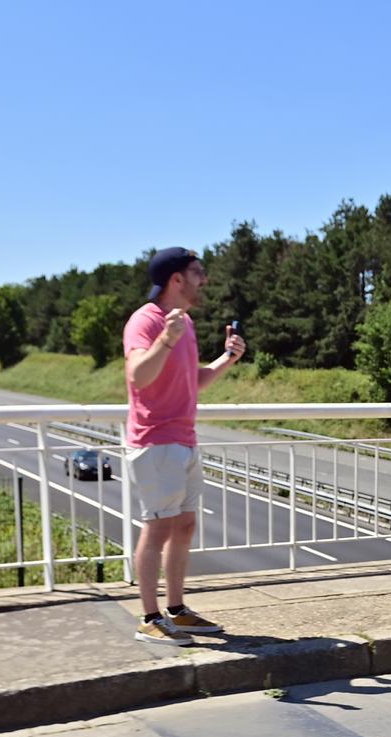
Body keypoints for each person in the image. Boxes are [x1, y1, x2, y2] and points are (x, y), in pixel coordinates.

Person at [122, 246, 244, 645]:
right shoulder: (146, 320)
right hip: (155, 441)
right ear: (176, 279)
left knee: (185, 525)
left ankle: (176, 610)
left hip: (184, 439)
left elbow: (195, 380)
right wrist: (165, 340)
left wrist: (227, 359)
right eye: (197, 272)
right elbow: (139, 375)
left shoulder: (184, 323)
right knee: (158, 527)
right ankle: (149, 617)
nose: (203, 279)